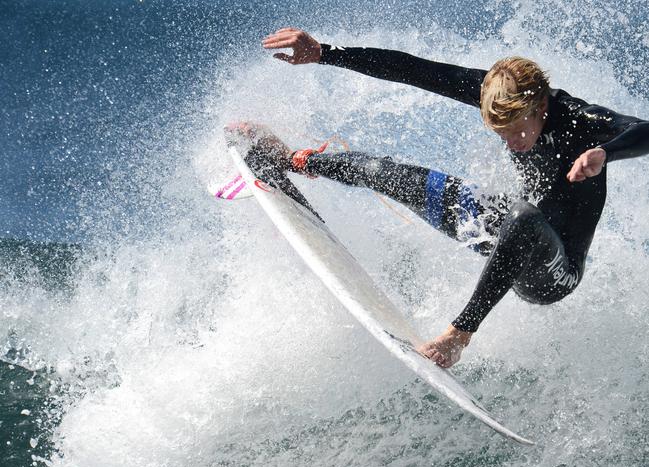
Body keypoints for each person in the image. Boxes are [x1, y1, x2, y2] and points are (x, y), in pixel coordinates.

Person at [245, 27, 649, 368]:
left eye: (515, 130)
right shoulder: (495, 92)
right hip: (508, 235)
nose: (510, 141)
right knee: (396, 176)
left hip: (555, 271)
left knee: (523, 217)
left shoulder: (580, 121)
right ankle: (294, 161)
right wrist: (325, 53)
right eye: (499, 132)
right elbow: (413, 70)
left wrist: (604, 153)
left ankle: (458, 336)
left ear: (540, 105)